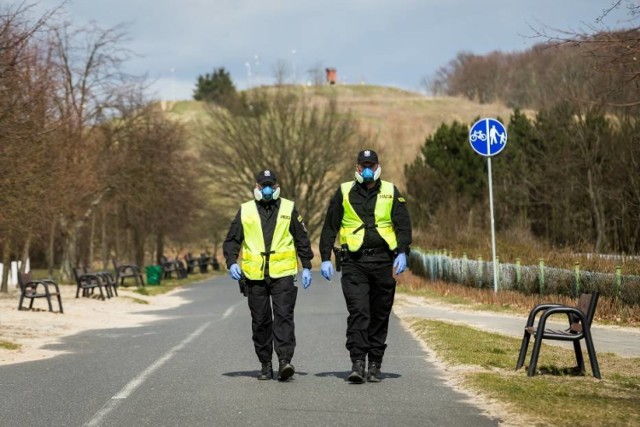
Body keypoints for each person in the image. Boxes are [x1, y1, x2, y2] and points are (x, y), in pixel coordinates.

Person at [319, 149, 412, 383]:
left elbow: (403, 225)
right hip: (354, 263)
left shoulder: (390, 191)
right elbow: (330, 227)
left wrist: (402, 252)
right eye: (363, 165)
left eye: (371, 165)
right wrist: (325, 258)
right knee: (359, 312)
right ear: (357, 167)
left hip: (382, 261)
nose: (367, 169)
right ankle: (358, 363)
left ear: (378, 166)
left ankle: (376, 363)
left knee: (380, 314)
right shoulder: (343, 191)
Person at [223, 169, 313, 381]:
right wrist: (231, 262)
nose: (266, 189)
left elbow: (302, 238)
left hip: (283, 273)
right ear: (256, 186)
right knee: (261, 321)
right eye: (262, 185)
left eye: (270, 186)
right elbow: (232, 240)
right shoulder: (245, 210)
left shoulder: (288, 208)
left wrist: (307, 265)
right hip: (255, 276)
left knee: (283, 318)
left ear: (276, 187)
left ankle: (284, 361)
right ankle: (265, 364)